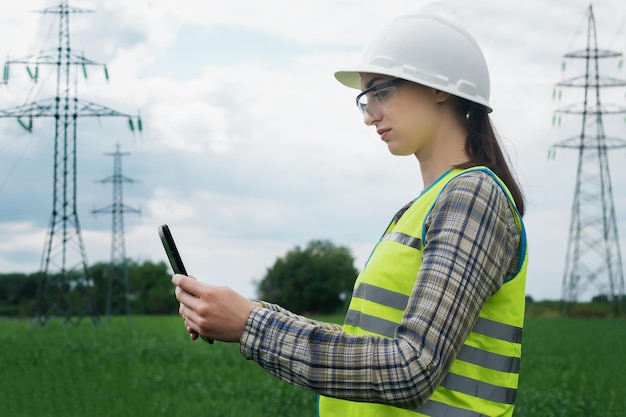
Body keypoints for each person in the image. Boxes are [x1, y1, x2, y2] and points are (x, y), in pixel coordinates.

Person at [172, 10, 528, 417]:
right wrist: (246, 312)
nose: (368, 114)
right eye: (364, 98)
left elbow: (412, 367)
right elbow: (368, 341)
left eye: (382, 91)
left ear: (440, 88)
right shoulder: (424, 206)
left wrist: (251, 326)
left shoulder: (473, 198)